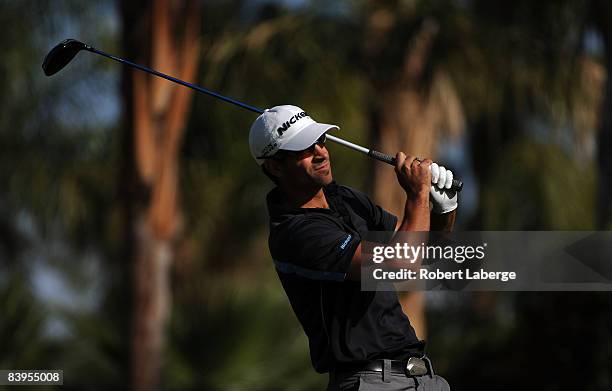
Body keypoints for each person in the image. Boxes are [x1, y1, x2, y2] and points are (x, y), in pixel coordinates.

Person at [249, 105, 457, 390]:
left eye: (320, 141)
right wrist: (418, 195)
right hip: (370, 382)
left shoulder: (345, 199)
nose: (321, 152)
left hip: (423, 378)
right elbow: (400, 264)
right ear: (274, 166)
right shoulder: (295, 233)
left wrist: (444, 209)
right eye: (304, 149)